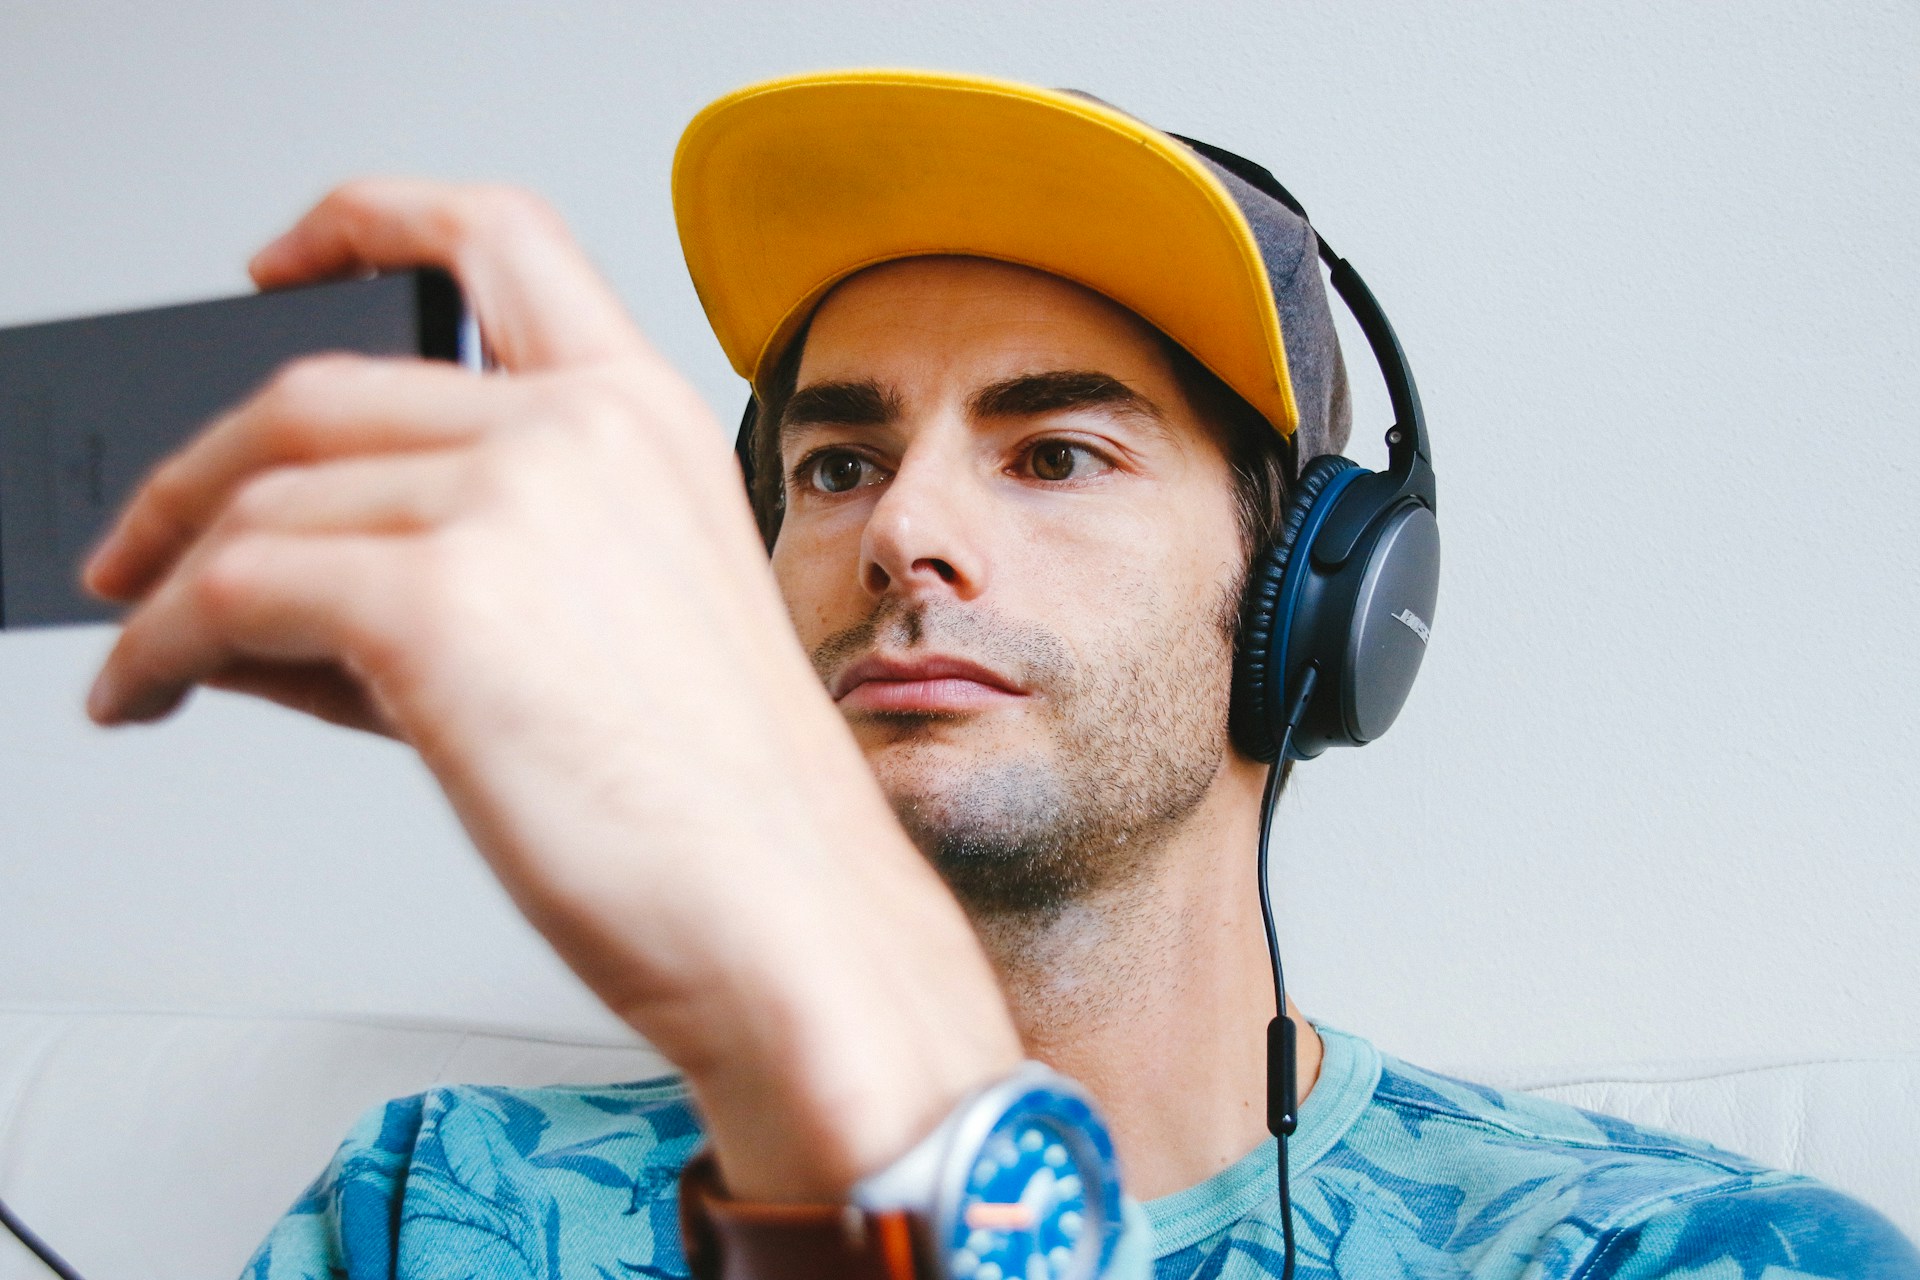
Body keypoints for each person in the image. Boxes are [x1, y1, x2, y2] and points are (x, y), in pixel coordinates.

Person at [76, 72, 1914, 1280]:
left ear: (1311, 605)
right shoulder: (440, 1212)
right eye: (835, 464)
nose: (902, 535)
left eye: (1055, 454)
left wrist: (877, 1124)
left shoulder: (1680, 1253)